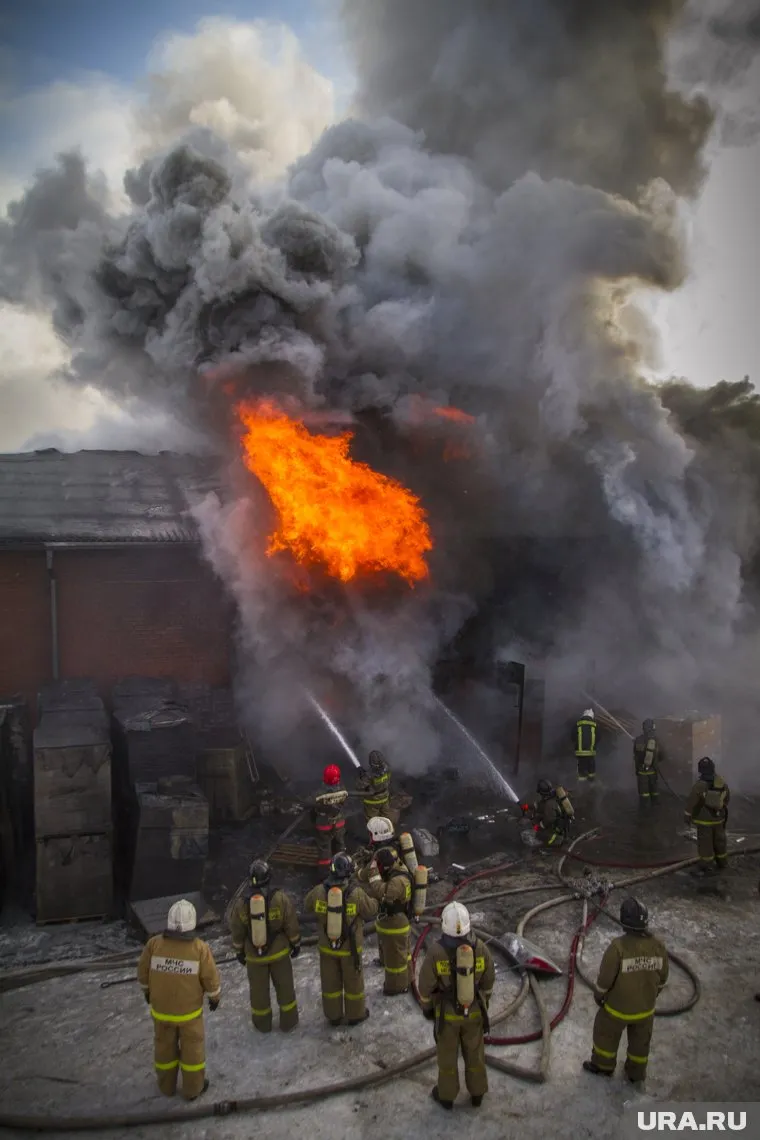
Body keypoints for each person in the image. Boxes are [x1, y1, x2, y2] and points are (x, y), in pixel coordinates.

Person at [137, 899, 220, 1100]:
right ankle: (193, 1089)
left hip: (161, 1012)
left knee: (164, 1049)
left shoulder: (154, 944)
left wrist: (147, 991)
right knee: (193, 1051)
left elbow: (143, 972)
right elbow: (210, 977)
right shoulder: (200, 948)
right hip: (189, 1014)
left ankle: (166, 1087)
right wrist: (214, 996)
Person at [583, 897, 668, 1087]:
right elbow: (662, 979)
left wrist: (599, 996)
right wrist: (649, 997)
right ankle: (635, 1073)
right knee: (640, 1044)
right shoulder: (658, 946)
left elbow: (604, 981)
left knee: (605, 1035)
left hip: (616, 1010)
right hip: (646, 1011)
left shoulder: (617, 948)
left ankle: (603, 1065)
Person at [418, 901, 495, 1110]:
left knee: (447, 1058)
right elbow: (489, 981)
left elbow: (424, 986)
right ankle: (477, 1093)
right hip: (474, 1012)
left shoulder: (436, 952)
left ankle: (446, 1096)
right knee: (475, 1054)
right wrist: (483, 1002)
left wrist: (428, 1008)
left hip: (447, 1017)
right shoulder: (480, 948)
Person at [304, 852, 378, 1026]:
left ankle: (333, 1015)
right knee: (353, 983)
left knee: (330, 983)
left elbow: (307, 904)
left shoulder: (319, 891)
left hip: (327, 948)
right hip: (350, 949)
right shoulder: (356, 893)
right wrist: (375, 899)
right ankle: (355, 1015)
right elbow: (370, 911)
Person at [228, 859, 301, 1033]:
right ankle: (289, 1022)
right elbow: (291, 923)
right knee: (285, 989)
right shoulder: (280, 898)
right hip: (279, 954)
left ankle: (262, 1025)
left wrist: (239, 951)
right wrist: (295, 943)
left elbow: (237, 930)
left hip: (254, 957)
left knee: (258, 994)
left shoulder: (241, 903)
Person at [365, 846, 413, 995]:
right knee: (400, 953)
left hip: (396, 922)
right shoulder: (399, 869)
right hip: (396, 919)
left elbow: (380, 892)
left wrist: (373, 872)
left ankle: (396, 987)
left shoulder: (397, 882)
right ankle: (407, 979)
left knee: (396, 959)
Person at [684, 756, 730, 873]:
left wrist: (687, 815)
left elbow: (691, 802)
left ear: (700, 770)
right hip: (719, 819)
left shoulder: (699, 785)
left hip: (704, 821)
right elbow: (727, 798)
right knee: (720, 841)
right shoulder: (721, 782)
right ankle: (722, 862)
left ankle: (706, 865)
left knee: (706, 844)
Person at [313, 764, 348, 872]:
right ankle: (342, 867)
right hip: (339, 822)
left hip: (324, 825)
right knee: (339, 843)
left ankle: (324, 873)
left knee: (324, 847)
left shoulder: (320, 793)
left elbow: (313, 803)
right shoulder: (342, 789)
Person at [528, 779, 574, 847]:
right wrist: (527, 807)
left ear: (541, 792)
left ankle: (554, 841)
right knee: (538, 818)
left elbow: (549, 820)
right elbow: (540, 805)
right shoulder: (555, 795)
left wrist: (538, 826)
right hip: (564, 824)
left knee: (536, 830)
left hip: (557, 832)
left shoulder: (549, 804)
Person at [356, 750, 395, 824]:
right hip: (385, 798)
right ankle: (387, 832)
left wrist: (361, 776)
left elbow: (359, 786)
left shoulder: (369, 775)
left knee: (373, 822)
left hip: (372, 802)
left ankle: (375, 834)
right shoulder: (388, 768)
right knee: (387, 819)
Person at [633, 719, 662, 804]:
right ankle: (655, 810)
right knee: (655, 792)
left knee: (644, 794)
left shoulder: (638, 740)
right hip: (653, 772)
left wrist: (637, 770)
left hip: (641, 772)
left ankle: (644, 812)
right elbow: (661, 755)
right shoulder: (656, 740)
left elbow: (636, 756)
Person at [574, 708, 597, 782]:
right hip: (591, 753)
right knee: (591, 770)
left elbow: (572, 736)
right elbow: (599, 737)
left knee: (581, 770)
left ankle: (582, 787)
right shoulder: (594, 726)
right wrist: (593, 745)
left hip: (580, 753)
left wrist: (577, 744)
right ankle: (591, 784)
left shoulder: (577, 725)